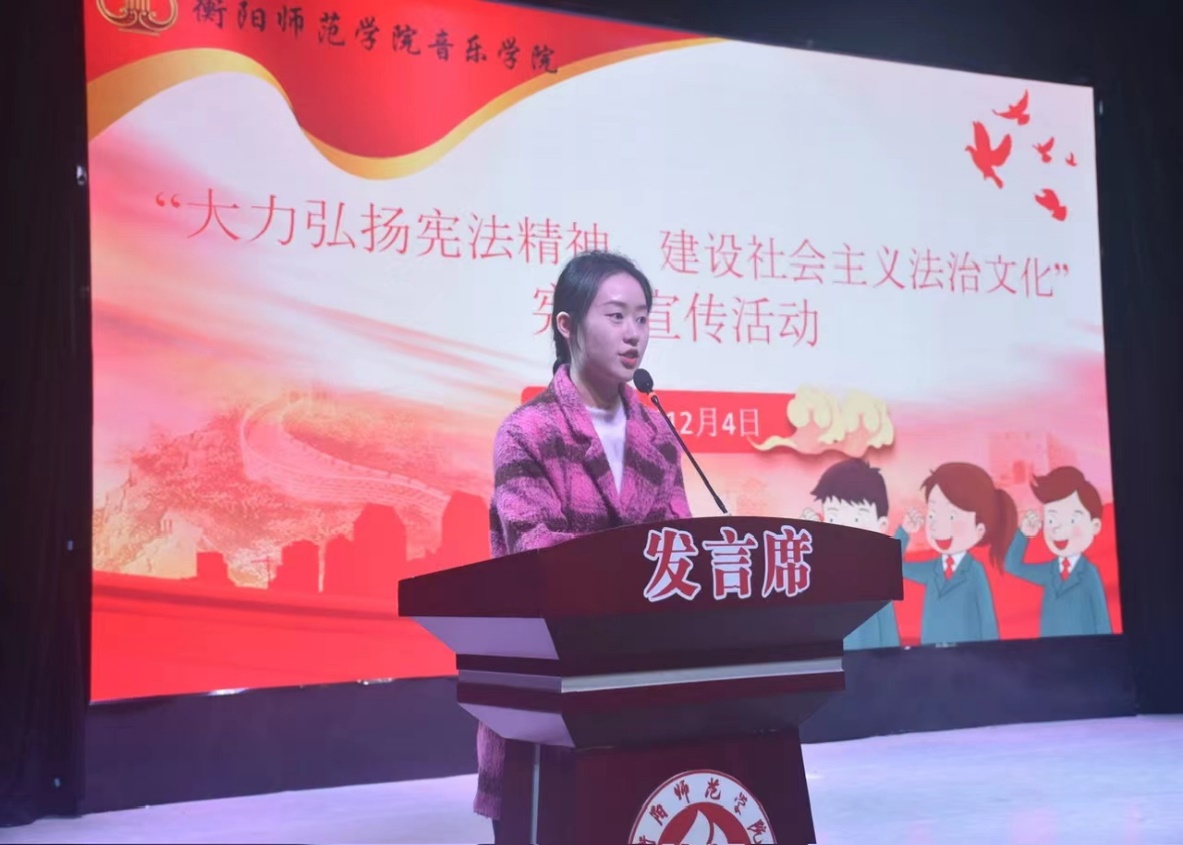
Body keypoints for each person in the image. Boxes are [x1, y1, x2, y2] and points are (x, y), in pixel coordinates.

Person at [475, 251, 692, 841]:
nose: (634, 333)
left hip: (641, 697)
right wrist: (638, 569)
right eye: (616, 316)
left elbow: (681, 553)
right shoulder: (527, 432)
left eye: (642, 318)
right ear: (567, 325)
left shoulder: (658, 436)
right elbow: (539, 557)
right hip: (547, 700)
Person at [802, 458, 918, 650]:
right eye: (833, 517)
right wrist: (808, 537)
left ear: (882, 525)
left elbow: (890, 558)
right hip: (836, 655)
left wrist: (904, 532)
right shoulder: (827, 566)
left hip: (878, 655)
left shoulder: (876, 564)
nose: (844, 528)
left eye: (857, 519)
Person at [900, 462, 1014, 644]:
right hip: (932, 655)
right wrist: (904, 532)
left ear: (979, 529)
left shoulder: (975, 571)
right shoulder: (932, 570)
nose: (938, 525)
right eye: (933, 514)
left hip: (968, 656)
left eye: (951, 516)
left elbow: (987, 621)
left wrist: (991, 654)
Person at [1003, 466, 1111, 636]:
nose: (1057, 528)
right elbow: (1012, 566)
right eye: (1051, 520)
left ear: (1095, 526)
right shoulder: (1050, 571)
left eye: (1072, 519)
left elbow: (1102, 622)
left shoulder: (1089, 574)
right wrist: (1024, 534)